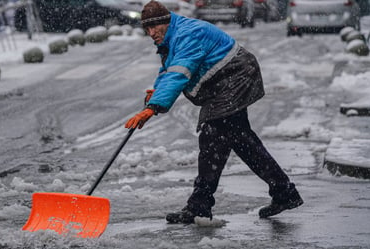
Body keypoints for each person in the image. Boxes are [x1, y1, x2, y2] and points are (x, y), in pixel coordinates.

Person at [125, 0, 303, 223]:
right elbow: (169, 69)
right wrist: (157, 90)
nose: (151, 33)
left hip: (235, 76)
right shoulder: (173, 35)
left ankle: (201, 205)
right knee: (235, 139)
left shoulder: (188, 34)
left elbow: (180, 71)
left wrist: (153, 107)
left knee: (215, 135)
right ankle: (283, 192)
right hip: (225, 81)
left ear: (166, 22)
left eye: (154, 27)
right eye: (147, 29)